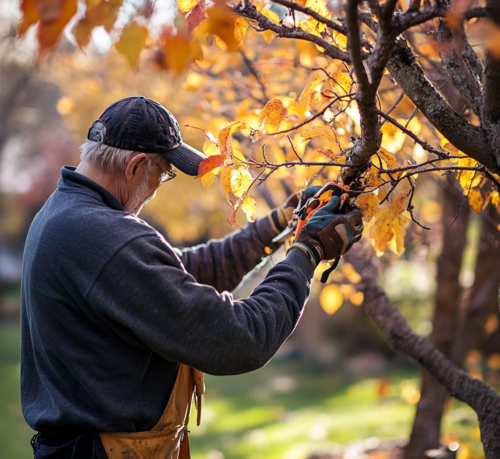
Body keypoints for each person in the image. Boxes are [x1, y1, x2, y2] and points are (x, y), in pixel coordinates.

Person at [21, 96, 364, 459]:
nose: (158, 186)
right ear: (136, 167)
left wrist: (280, 223)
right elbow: (240, 338)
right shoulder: (106, 237)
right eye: (164, 172)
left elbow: (179, 273)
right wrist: (307, 252)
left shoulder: (63, 214)